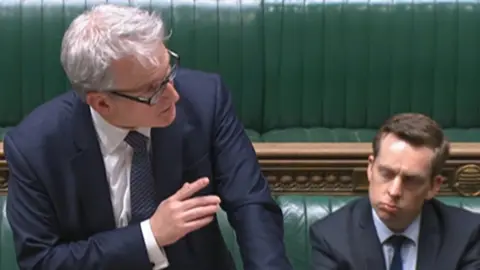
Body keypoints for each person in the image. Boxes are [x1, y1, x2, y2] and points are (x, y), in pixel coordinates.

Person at [4, 4, 293, 270]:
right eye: (152, 89)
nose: (174, 95)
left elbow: (250, 204)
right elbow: (42, 261)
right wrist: (149, 235)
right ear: (101, 103)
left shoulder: (206, 100)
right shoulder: (35, 148)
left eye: (169, 73)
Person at [309, 113, 480, 270]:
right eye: (386, 174)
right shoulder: (331, 238)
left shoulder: (466, 236)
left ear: (433, 186)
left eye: (410, 180)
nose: (394, 191)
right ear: (370, 169)